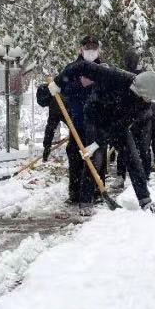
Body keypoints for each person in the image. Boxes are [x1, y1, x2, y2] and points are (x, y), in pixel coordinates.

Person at [49, 59, 155, 211]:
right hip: (95, 117)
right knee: (95, 160)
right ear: (141, 88)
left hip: (116, 122)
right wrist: (58, 82)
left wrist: (98, 142)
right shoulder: (115, 76)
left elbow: (120, 126)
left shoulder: (143, 105)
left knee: (133, 158)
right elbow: (82, 66)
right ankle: (85, 202)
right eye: (148, 96)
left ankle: (145, 201)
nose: (149, 100)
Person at [58, 35, 103, 206]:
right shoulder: (72, 68)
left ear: (98, 50)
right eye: (87, 47)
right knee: (76, 157)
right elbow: (64, 90)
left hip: (98, 121)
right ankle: (75, 192)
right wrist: (80, 84)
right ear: (81, 49)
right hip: (77, 121)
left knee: (97, 157)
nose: (90, 50)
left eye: (93, 47)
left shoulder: (104, 69)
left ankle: (97, 190)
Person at [112, 49, 154, 190]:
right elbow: (118, 96)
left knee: (143, 148)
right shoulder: (121, 74)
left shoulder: (143, 75)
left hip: (143, 117)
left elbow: (148, 97)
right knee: (124, 149)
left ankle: (146, 176)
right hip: (125, 117)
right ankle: (120, 176)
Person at [34, 83, 63, 162]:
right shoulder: (60, 92)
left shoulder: (56, 101)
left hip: (84, 127)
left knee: (72, 150)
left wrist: (47, 147)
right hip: (84, 125)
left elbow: (50, 127)